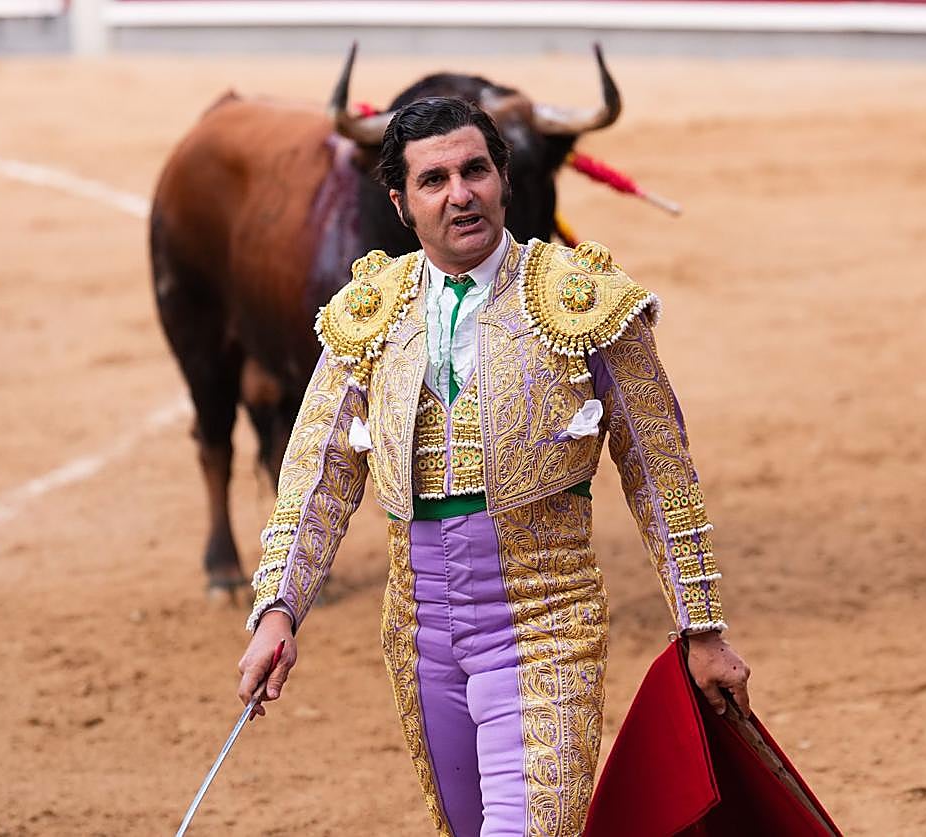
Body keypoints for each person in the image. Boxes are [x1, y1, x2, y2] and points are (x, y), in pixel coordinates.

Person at [236, 96, 751, 837]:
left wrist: (702, 628)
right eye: (435, 179)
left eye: (475, 169)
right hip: (419, 635)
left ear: (504, 177)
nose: (461, 193)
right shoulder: (371, 313)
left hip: (547, 621)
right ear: (401, 203)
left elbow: (661, 470)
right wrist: (278, 610)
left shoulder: (584, 301)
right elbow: (315, 475)